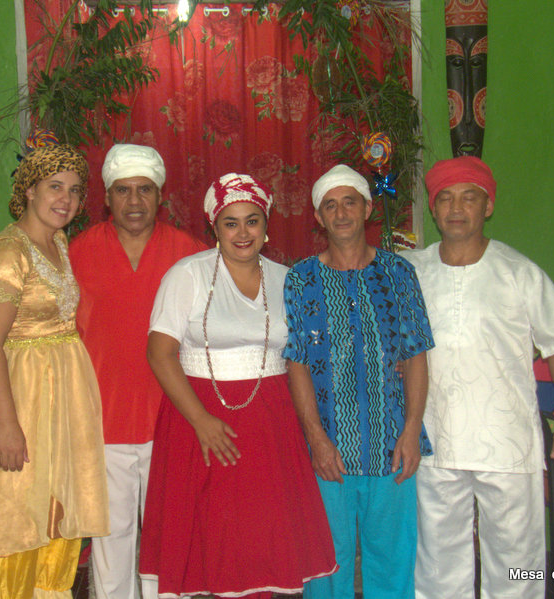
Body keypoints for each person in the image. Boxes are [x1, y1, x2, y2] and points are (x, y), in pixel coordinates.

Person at [140, 173, 337, 598]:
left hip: (271, 425)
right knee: (212, 539)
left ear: (266, 226)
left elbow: (303, 355)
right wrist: (201, 421)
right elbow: (159, 353)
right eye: (231, 223)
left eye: (252, 221)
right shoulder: (187, 275)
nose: (243, 233)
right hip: (202, 421)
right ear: (214, 227)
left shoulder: (288, 279)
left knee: (262, 539)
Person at [405, 156, 554, 599]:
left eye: (469, 197)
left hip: (507, 443)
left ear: (488, 206)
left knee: (516, 562)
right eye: (445, 198)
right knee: (437, 563)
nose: (456, 208)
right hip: (434, 440)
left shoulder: (519, 272)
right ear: (433, 208)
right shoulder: (410, 272)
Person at [0, 138, 109, 599]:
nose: (66, 199)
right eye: (55, 186)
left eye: (75, 190)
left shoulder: (58, 242)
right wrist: (8, 426)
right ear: (29, 189)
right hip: (23, 397)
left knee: (56, 516)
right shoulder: (7, 252)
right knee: (15, 517)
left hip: (64, 398)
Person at [283, 165, 434, 599]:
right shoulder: (302, 279)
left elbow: (416, 354)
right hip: (328, 449)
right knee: (326, 564)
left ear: (367, 208)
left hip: (392, 443)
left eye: (350, 202)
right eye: (330, 205)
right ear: (318, 217)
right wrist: (316, 438)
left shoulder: (399, 273)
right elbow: (297, 363)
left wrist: (411, 430)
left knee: (392, 560)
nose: (341, 213)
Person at [69, 144, 206, 599]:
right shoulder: (76, 254)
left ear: (160, 195)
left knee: (170, 543)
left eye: (144, 190)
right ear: (106, 197)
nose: (134, 201)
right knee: (111, 542)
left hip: (173, 421)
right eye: (123, 190)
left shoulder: (191, 255)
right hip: (102, 422)